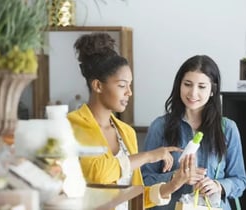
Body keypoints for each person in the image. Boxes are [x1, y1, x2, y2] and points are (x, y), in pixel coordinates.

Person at [67, 33, 205, 209]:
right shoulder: (73, 125)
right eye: (122, 85)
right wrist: (148, 156)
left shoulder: (126, 132)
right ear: (98, 85)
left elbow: (136, 197)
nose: (129, 93)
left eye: (130, 86)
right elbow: (97, 173)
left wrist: (174, 183)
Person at [141, 55, 246, 210]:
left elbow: (240, 180)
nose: (193, 93)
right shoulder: (160, 126)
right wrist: (175, 177)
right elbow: (144, 180)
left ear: (212, 90)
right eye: (188, 84)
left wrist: (218, 186)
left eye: (202, 86)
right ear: (179, 85)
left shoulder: (228, 129)